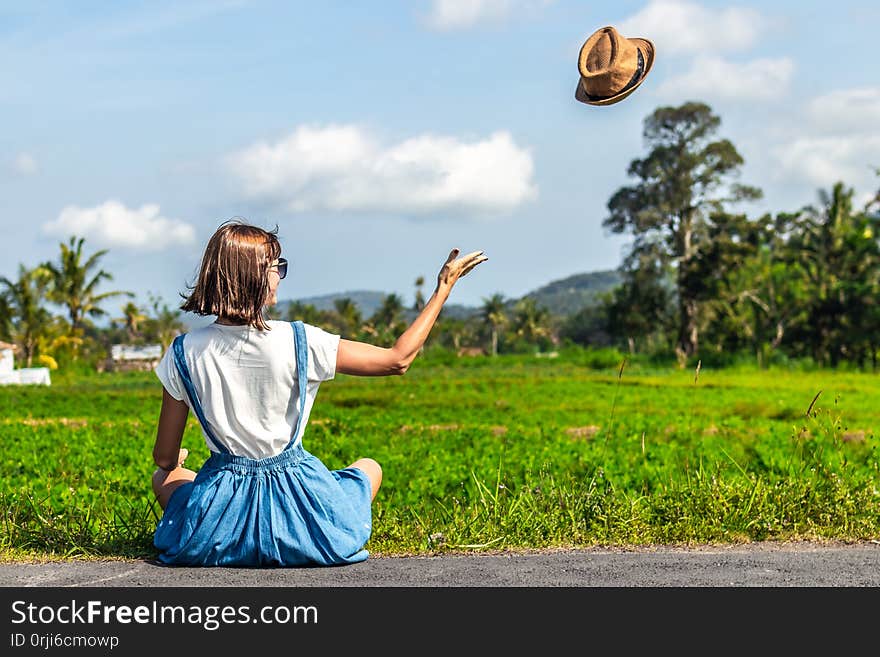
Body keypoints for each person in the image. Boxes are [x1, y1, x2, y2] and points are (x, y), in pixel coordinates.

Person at [150, 219, 487, 567]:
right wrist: (443, 289)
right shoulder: (302, 340)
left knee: (167, 477)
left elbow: (163, 457)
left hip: (217, 530)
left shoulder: (183, 352)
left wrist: (178, 464)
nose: (279, 275)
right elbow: (397, 360)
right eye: (275, 266)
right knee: (368, 467)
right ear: (253, 275)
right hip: (303, 516)